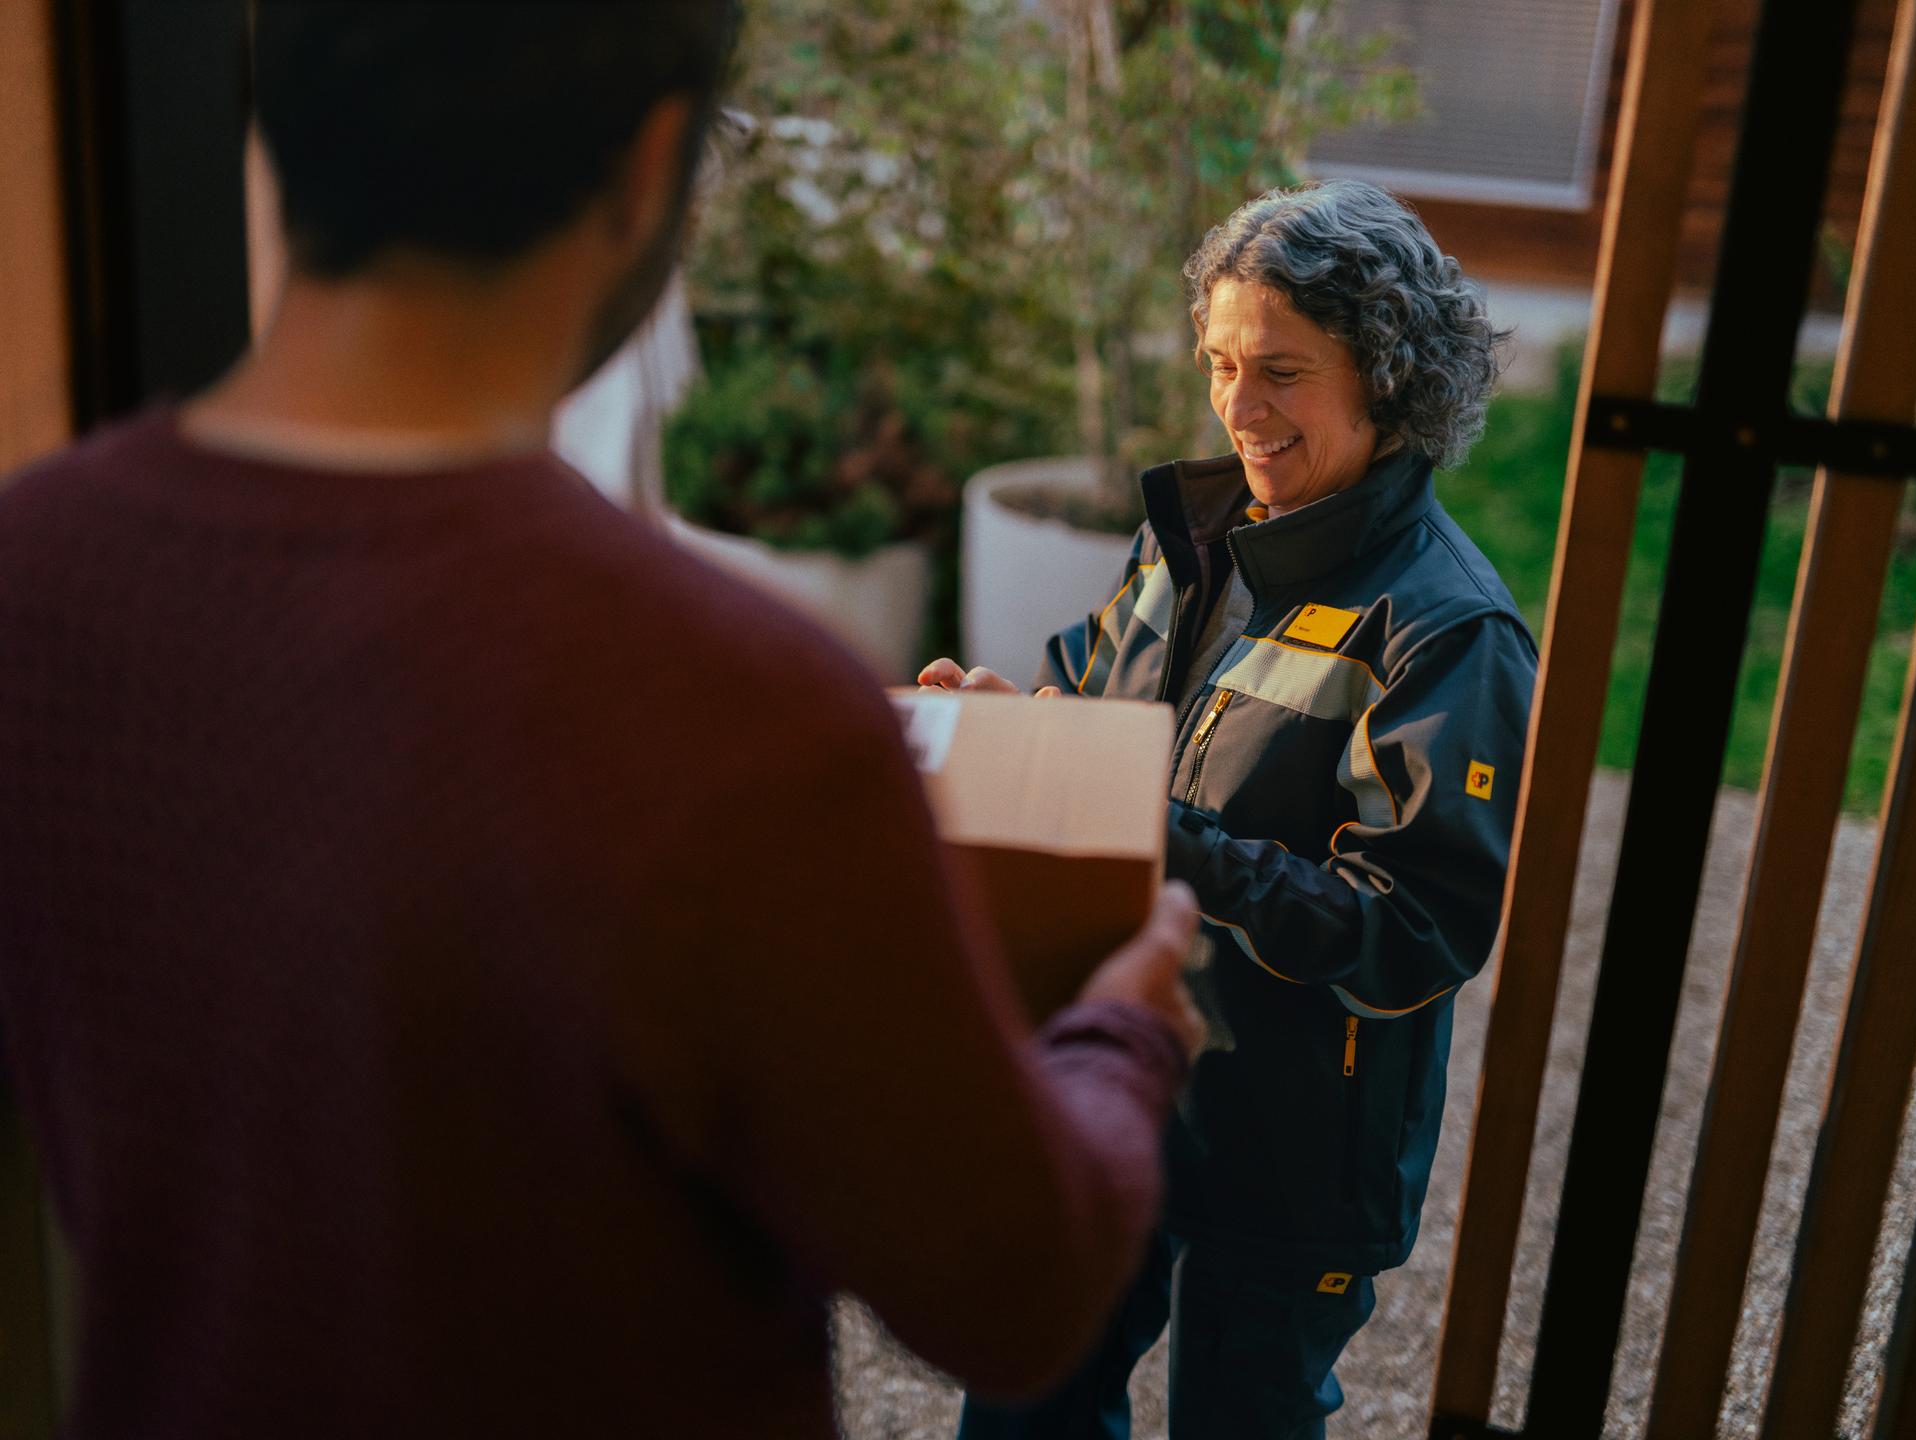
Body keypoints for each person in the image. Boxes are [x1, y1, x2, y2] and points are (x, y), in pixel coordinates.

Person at [0, 5, 1205, 1437]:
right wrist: (1114, 1032)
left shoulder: (39, 568)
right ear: (649, 166)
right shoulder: (736, 708)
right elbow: (1013, 1293)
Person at [926, 180, 1539, 1439]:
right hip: (1121, 1074)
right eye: (1219, 362)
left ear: (1388, 376)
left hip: (1296, 1147)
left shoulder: (1446, 631)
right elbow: (1089, 688)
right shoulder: (1189, 537)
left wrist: (1169, 839)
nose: (1239, 408)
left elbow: (1412, 932)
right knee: (1025, 1402)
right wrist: (1015, 723)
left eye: (1281, 372)